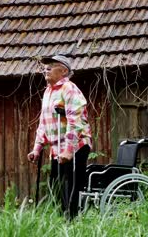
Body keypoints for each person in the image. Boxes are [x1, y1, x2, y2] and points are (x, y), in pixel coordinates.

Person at [27, 55, 92, 219]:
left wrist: (69, 151)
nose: (46, 68)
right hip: (57, 149)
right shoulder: (48, 91)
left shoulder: (69, 88)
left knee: (70, 187)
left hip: (75, 146)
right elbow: (43, 122)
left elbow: (75, 120)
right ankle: (63, 222)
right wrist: (36, 149)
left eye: (51, 65)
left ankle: (73, 222)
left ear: (63, 71)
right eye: (45, 66)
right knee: (56, 186)